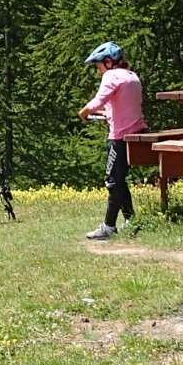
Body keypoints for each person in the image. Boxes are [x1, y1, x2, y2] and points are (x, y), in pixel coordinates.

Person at [79, 41, 146, 240]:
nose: (99, 71)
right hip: (134, 133)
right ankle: (130, 219)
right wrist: (104, 115)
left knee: (112, 181)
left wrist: (83, 112)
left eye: (98, 66)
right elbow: (122, 108)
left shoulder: (111, 75)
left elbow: (98, 101)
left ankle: (108, 227)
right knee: (120, 179)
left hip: (118, 138)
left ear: (108, 62)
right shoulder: (132, 76)